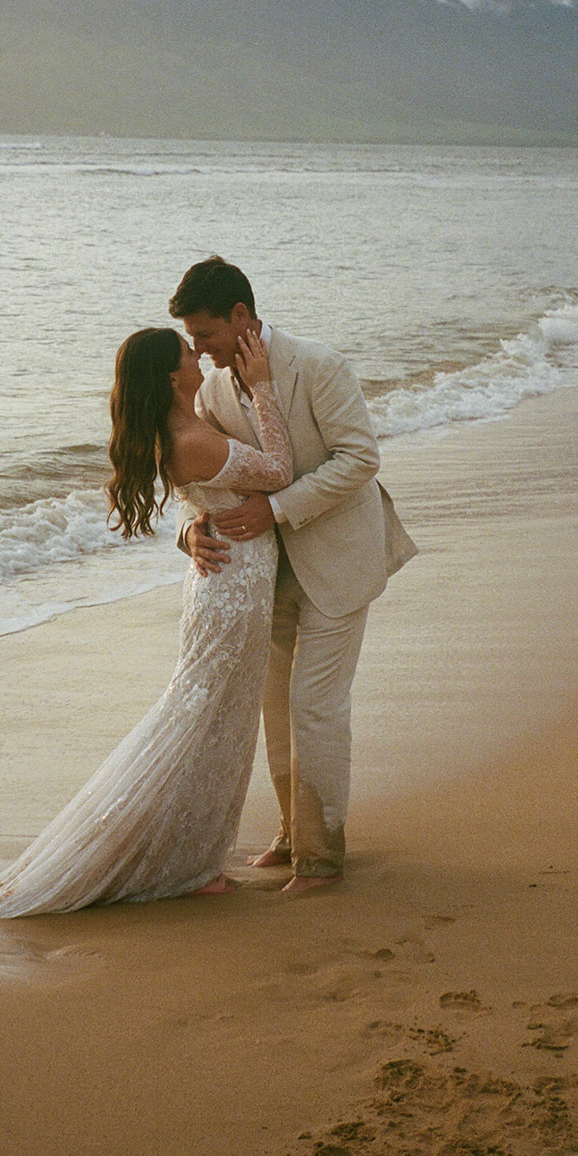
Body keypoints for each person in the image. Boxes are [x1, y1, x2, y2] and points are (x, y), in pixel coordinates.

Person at [0, 324, 292, 916]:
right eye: (186, 352)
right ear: (174, 376)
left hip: (227, 584)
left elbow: (207, 498)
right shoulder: (189, 437)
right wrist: (266, 387)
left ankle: (190, 857)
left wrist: (189, 529)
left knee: (217, 725)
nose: (197, 356)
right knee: (203, 723)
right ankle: (179, 862)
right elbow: (278, 470)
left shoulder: (184, 427)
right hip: (231, 592)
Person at [169, 256, 415, 894]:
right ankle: (289, 833)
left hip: (338, 561)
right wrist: (188, 530)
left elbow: (360, 458)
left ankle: (323, 856)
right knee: (275, 705)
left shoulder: (319, 364)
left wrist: (276, 508)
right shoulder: (213, 391)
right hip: (266, 573)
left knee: (315, 707)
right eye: (192, 340)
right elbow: (205, 477)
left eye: (206, 335)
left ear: (241, 316)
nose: (199, 350)